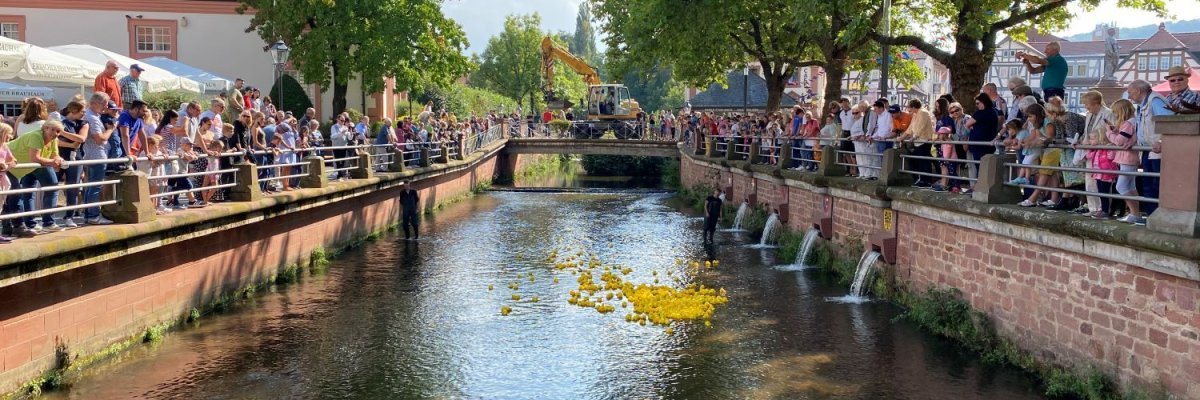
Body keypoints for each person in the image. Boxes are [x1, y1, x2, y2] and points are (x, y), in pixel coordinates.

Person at [7, 121, 66, 234]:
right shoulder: (36, 136)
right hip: (9, 165)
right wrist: (52, 162)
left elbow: (54, 154)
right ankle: (20, 226)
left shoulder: (53, 140)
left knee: (24, 193)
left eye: (58, 131)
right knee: (15, 195)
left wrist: (58, 159)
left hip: (24, 168)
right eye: (52, 129)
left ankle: (24, 225)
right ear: (45, 128)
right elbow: (35, 158)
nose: (55, 133)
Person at [1126, 79, 1170, 216]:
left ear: (1138, 91)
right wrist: (1133, 140)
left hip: (1157, 150)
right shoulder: (1142, 104)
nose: (1129, 96)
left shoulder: (1155, 101)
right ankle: (1151, 215)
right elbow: (1141, 127)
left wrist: (1162, 141)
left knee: (1156, 184)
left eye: (1130, 92)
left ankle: (1156, 215)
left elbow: (1167, 122)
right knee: (1148, 184)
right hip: (1147, 150)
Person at [81, 93, 115, 224]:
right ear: (95, 103)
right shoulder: (92, 118)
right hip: (97, 156)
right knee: (95, 186)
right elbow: (100, 139)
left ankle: (89, 215)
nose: (106, 107)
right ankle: (93, 215)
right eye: (104, 104)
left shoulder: (92, 115)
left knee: (91, 186)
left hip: (91, 155)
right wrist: (111, 129)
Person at [0, 123, 16, 241]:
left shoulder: (5, 146)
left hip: (3, 178)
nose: (11, 136)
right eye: (8, 134)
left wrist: (10, 164)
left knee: (0, 206)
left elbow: (13, 159)